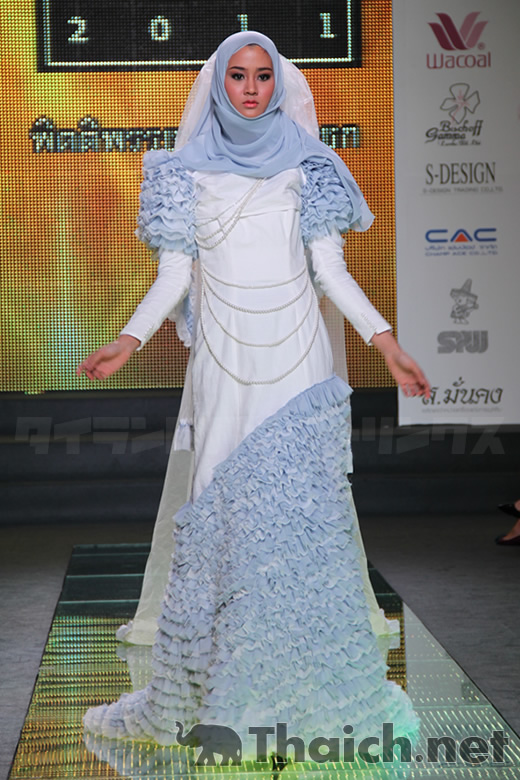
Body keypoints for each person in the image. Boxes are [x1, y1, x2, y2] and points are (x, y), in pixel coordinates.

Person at [78, 31, 429, 761]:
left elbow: (330, 271)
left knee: (300, 525)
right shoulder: (180, 173)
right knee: (222, 524)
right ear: (218, 84)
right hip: (224, 362)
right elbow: (175, 276)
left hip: (297, 363)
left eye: (262, 76)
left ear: (278, 83)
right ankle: (219, 694)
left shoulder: (309, 165)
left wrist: (387, 342)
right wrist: (130, 339)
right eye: (236, 75)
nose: (249, 88)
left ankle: (307, 696)